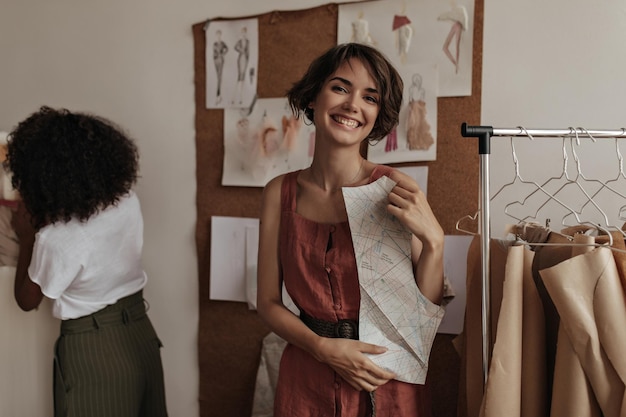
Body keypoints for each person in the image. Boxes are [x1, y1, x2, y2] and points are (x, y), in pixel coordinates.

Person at [256, 43, 445, 417]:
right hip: (306, 378)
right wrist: (322, 348)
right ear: (313, 97)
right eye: (340, 88)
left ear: (378, 114)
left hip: (385, 378)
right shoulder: (280, 192)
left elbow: (419, 316)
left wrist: (435, 243)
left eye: (370, 97)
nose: (353, 104)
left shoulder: (394, 188)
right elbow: (267, 302)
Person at [6, 106, 168, 417]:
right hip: (139, 333)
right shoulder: (125, 200)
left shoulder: (56, 240)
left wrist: (26, 236)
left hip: (93, 351)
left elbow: (27, 300)